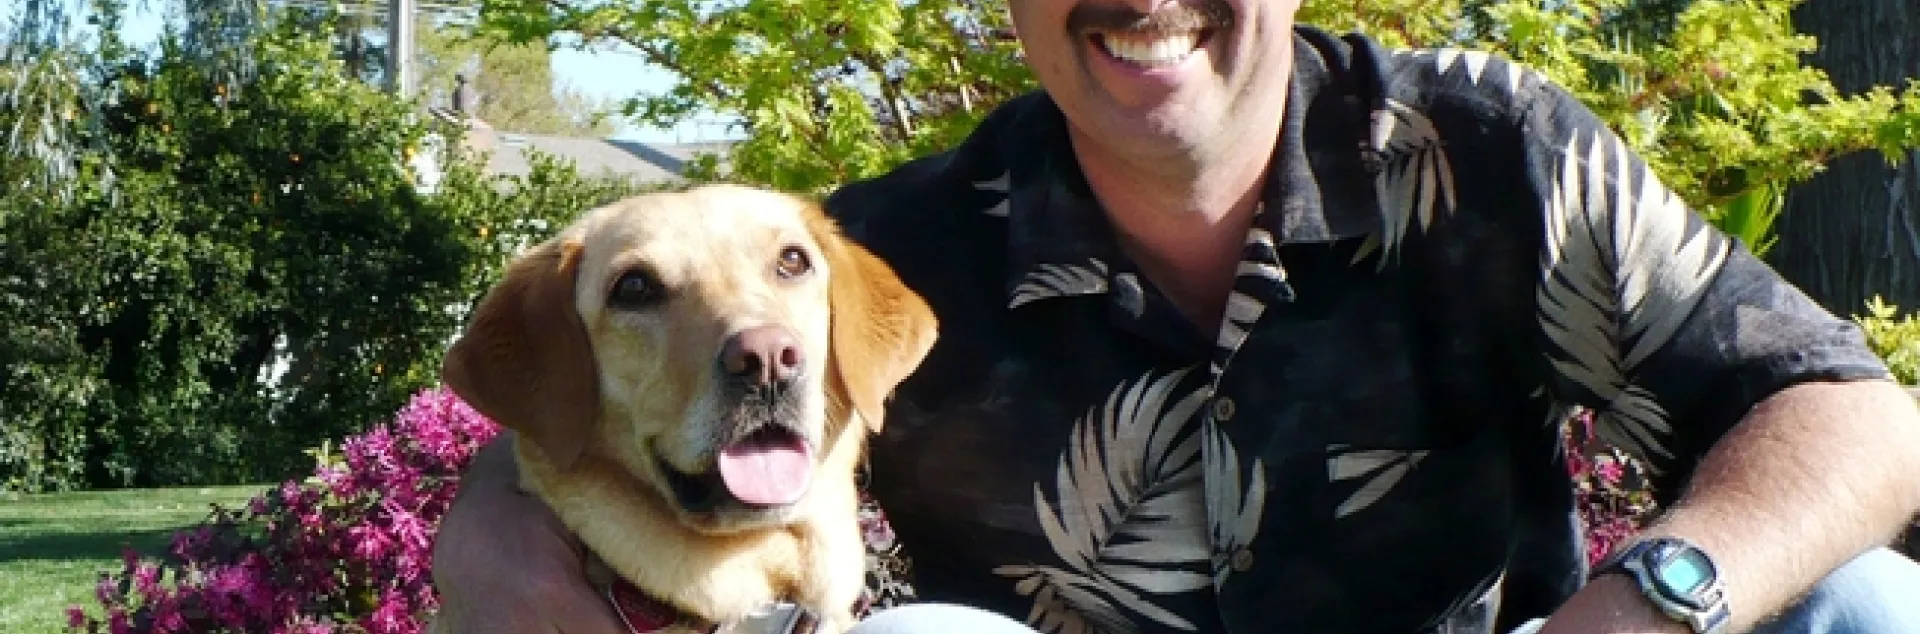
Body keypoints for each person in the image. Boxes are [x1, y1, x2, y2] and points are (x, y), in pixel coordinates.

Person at [428, 0, 1920, 632]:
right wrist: (486, 514)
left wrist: (1645, 604)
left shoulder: (1485, 157)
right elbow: (642, 382)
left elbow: (1859, 412)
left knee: (1872, 602)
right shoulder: (882, 263)